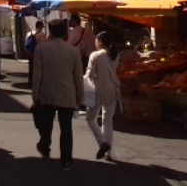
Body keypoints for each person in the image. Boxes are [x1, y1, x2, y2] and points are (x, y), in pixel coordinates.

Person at [32, 19, 84, 173]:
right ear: (65, 33)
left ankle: (45, 147)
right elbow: (78, 77)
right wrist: (79, 96)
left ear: (51, 31)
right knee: (66, 129)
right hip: (67, 94)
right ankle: (66, 161)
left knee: (46, 125)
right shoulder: (73, 51)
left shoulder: (41, 49)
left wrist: (36, 94)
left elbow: (37, 74)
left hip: (47, 93)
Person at [85, 31, 121, 161]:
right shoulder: (115, 55)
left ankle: (102, 143)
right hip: (112, 91)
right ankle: (109, 152)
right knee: (108, 121)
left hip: (98, 91)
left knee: (90, 119)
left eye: (96, 41)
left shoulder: (95, 55)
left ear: (100, 42)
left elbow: (90, 75)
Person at [24, 20, 46, 87]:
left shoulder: (29, 33)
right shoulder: (41, 35)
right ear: (41, 26)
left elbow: (26, 43)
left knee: (31, 69)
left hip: (30, 54)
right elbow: (43, 45)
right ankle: (37, 83)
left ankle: (30, 83)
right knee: (38, 69)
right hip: (37, 54)